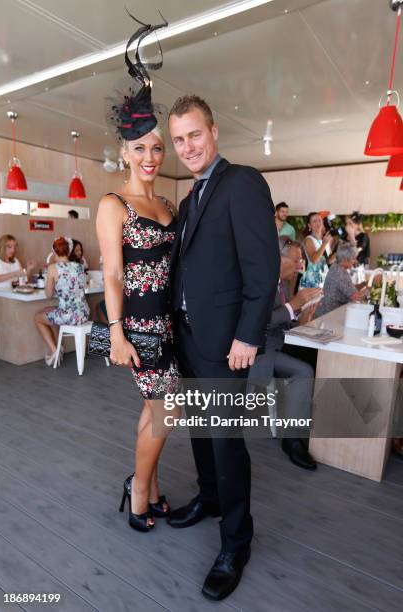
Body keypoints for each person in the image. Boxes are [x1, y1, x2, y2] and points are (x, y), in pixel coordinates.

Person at [168, 94, 280, 601]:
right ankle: (210, 498)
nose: (187, 146)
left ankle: (236, 541)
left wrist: (248, 335)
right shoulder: (191, 200)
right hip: (190, 337)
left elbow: (263, 268)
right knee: (199, 431)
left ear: (213, 133)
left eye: (194, 134)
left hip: (226, 344)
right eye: (179, 139)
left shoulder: (243, 182)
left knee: (226, 443)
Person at [96, 17, 179, 534]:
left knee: (158, 412)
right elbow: (111, 276)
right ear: (124, 151)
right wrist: (115, 333)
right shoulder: (114, 203)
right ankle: (140, 492)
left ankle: (138, 484)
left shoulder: (166, 201)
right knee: (167, 410)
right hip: (140, 329)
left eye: (156, 147)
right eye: (140, 148)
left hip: (169, 323)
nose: (150, 157)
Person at [249, 237, 321, 470]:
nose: (301, 266)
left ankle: (302, 417)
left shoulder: (281, 283)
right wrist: (294, 304)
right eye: (297, 260)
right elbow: (258, 323)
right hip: (261, 350)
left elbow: (284, 320)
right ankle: (291, 440)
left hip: (279, 342)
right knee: (304, 371)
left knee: (316, 357)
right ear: (279, 258)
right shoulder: (261, 282)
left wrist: (303, 316)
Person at [34, 237, 90, 365]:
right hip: (84, 313)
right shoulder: (79, 266)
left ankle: (55, 351)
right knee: (48, 310)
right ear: (69, 251)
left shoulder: (53, 268)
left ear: (54, 252)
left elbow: (48, 294)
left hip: (69, 316)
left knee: (37, 317)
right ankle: (57, 348)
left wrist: (51, 280)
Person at [314, 242, 367, 318]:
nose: (355, 261)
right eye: (353, 258)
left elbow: (349, 288)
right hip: (328, 315)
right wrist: (370, 288)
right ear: (345, 259)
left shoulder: (336, 266)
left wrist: (364, 284)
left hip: (327, 312)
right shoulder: (340, 273)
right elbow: (356, 297)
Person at [299, 212, 332, 289]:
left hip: (324, 278)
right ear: (309, 225)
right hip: (313, 279)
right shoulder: (309, 239)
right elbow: (313, 260)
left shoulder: (325, 239)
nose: (318, 223)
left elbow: (327, 261)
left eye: (319, 220)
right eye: (314, 221)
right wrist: (324, 244)